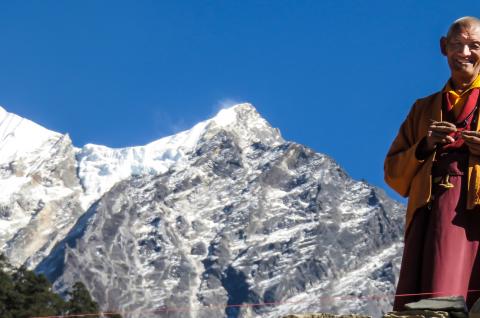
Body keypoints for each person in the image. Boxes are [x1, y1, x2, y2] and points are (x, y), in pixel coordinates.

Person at [385, 16, 480, 310]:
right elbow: (393, 173)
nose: (464, 53)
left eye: (474, 46)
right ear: (443, 47)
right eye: (457, 45)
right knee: (429, 292)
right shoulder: (423, 108)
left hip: (473, 213)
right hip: (431, 211)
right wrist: (425, 145)